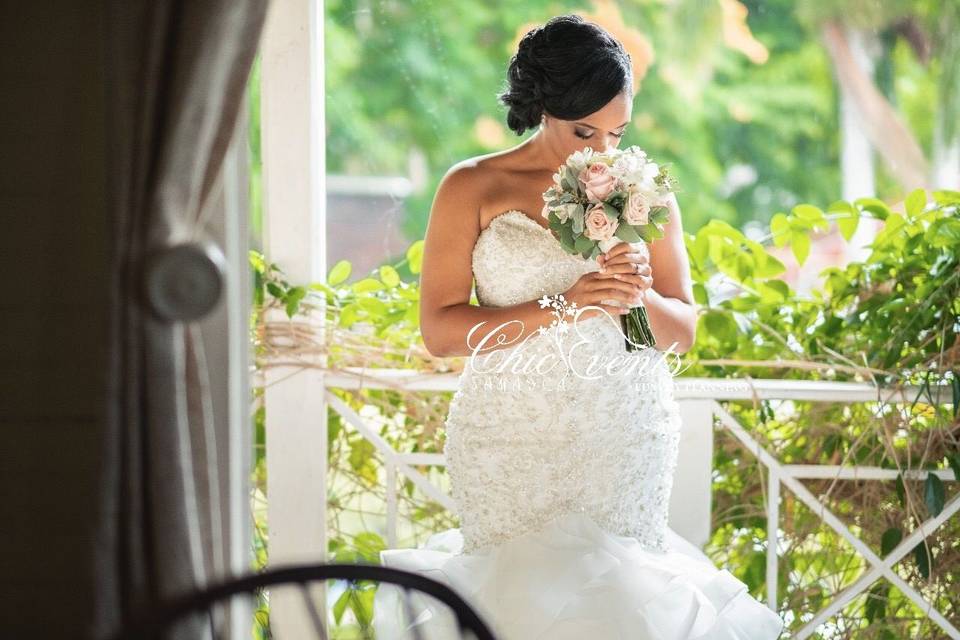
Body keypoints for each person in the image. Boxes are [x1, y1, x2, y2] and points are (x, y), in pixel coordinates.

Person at [373, 14, 785, 639]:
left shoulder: (644, 193)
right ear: (544, 107)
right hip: (510, 438)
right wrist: (567, 303)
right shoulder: (472, 185)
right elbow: (440, 331)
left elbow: (678, 335)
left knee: (621, 599)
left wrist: (634, 296)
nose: (600, 153)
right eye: (584, 130)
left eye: (616, 133)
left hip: (619, 434)